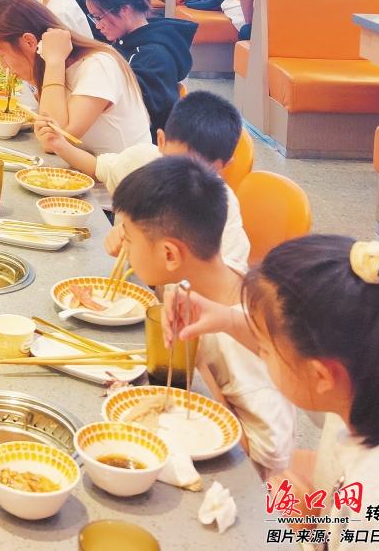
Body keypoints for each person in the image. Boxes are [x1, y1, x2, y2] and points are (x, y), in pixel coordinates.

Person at [171, 235, 379, 548]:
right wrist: (226, 319)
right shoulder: (364, 385)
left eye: (264, 349)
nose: (261, 352)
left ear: (321, 375)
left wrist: (306, 533)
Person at [113, 155, 296, 476]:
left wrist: (200, 371)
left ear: (170, 254)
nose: (124, 248)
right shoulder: (204, 278)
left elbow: (269, 463)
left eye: (128, 239)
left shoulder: (245, 345)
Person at [37, 90, 250, 273]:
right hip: (123, 280)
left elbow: (232, 276)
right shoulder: (141, 160)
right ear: (161, 141)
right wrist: (59, 144)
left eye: (202, 170)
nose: (184, 178)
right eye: (176, 163)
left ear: (225, 166)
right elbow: (98, 168)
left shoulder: (223, 207)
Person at [0, 0, 152, 155]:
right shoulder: (56, 66)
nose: (2, 65)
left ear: (30, 42)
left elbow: (54, 140)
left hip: (124, 177)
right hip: (88, 171)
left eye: (1, 53)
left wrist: (54, 61)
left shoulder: (98, 65)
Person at [83, 0, 196, 132]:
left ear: (124, 9)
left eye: (99, 17)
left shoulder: (152, 58)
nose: (97, 26)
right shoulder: (128, 40)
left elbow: (130, 117)